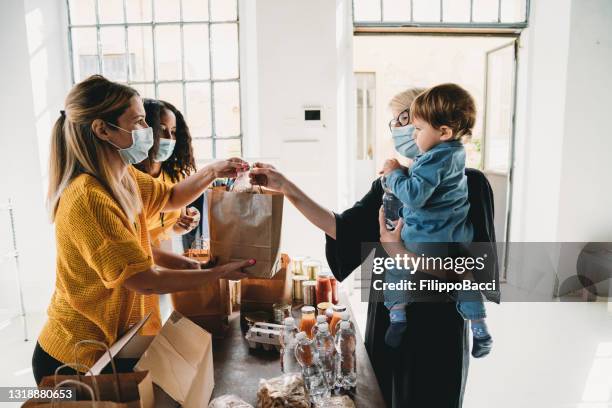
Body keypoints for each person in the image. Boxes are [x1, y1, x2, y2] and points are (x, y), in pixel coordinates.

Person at [249, 87, 498, 407]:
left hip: (438, 332)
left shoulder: (471, 185)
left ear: (437, 124)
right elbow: (341, 228)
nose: (400, 128)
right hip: (388, 324)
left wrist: (400, 254)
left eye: (406, 119)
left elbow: (479, 272)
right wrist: (285, 187)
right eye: (394, 121)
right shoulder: (389, 186)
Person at [32, 75, 254, 384]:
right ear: (103, 129)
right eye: (138, 123)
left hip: (115, 345)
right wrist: (218, 273)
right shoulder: (88, 197)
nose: (146, 133)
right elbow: (146, 281)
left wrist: (212, 171)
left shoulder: (122, 177)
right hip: (74, 358)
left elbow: (171, 197)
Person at [135, 99, 199, 251]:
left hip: (162, 257)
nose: (169, 138)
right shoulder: (129, 176)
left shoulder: (176, 174)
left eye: (173, 132)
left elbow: (171, 228)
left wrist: (184, 226)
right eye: (162, 129)